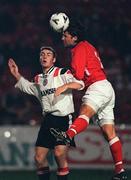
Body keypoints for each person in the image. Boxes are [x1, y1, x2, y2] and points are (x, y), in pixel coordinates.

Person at [50, 21, 128, 180]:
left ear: (75, 38)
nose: (62, 39)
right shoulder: (88, 45)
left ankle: (67, 135)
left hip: (96, 87)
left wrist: (63, 80)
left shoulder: (78, 49)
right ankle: (120, 171)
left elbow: (78, 75)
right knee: (109, 133)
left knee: (84, 113)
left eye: (65, 36)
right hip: (106, 87)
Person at [8, 46, 84, 180]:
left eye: (48, 54)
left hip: (64, 118)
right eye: (42, 54)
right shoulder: (38, 78)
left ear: (53, 59)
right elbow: (28, 88)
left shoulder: (62, 72)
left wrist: (65, 86)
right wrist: (16, 74)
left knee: (59, 154)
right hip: (48, 120)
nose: (44, 56)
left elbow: (79, 84)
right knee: (39, 158)